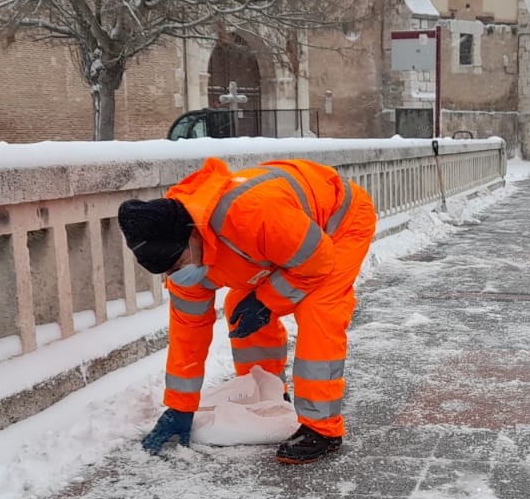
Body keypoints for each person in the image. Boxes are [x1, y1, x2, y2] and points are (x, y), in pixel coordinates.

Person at [118, 157, 376, 464]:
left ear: (192, 233)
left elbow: (317, 262)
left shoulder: (252, 216)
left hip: (337, 222)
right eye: (168, 271)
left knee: (319, 310)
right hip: (282, 240)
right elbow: (187, 333)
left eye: (178, 263)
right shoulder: (185, 263)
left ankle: (322, 429)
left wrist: (268, 300)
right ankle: (268, 393)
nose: (178, 274)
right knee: (241, 308)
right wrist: (180, 405)